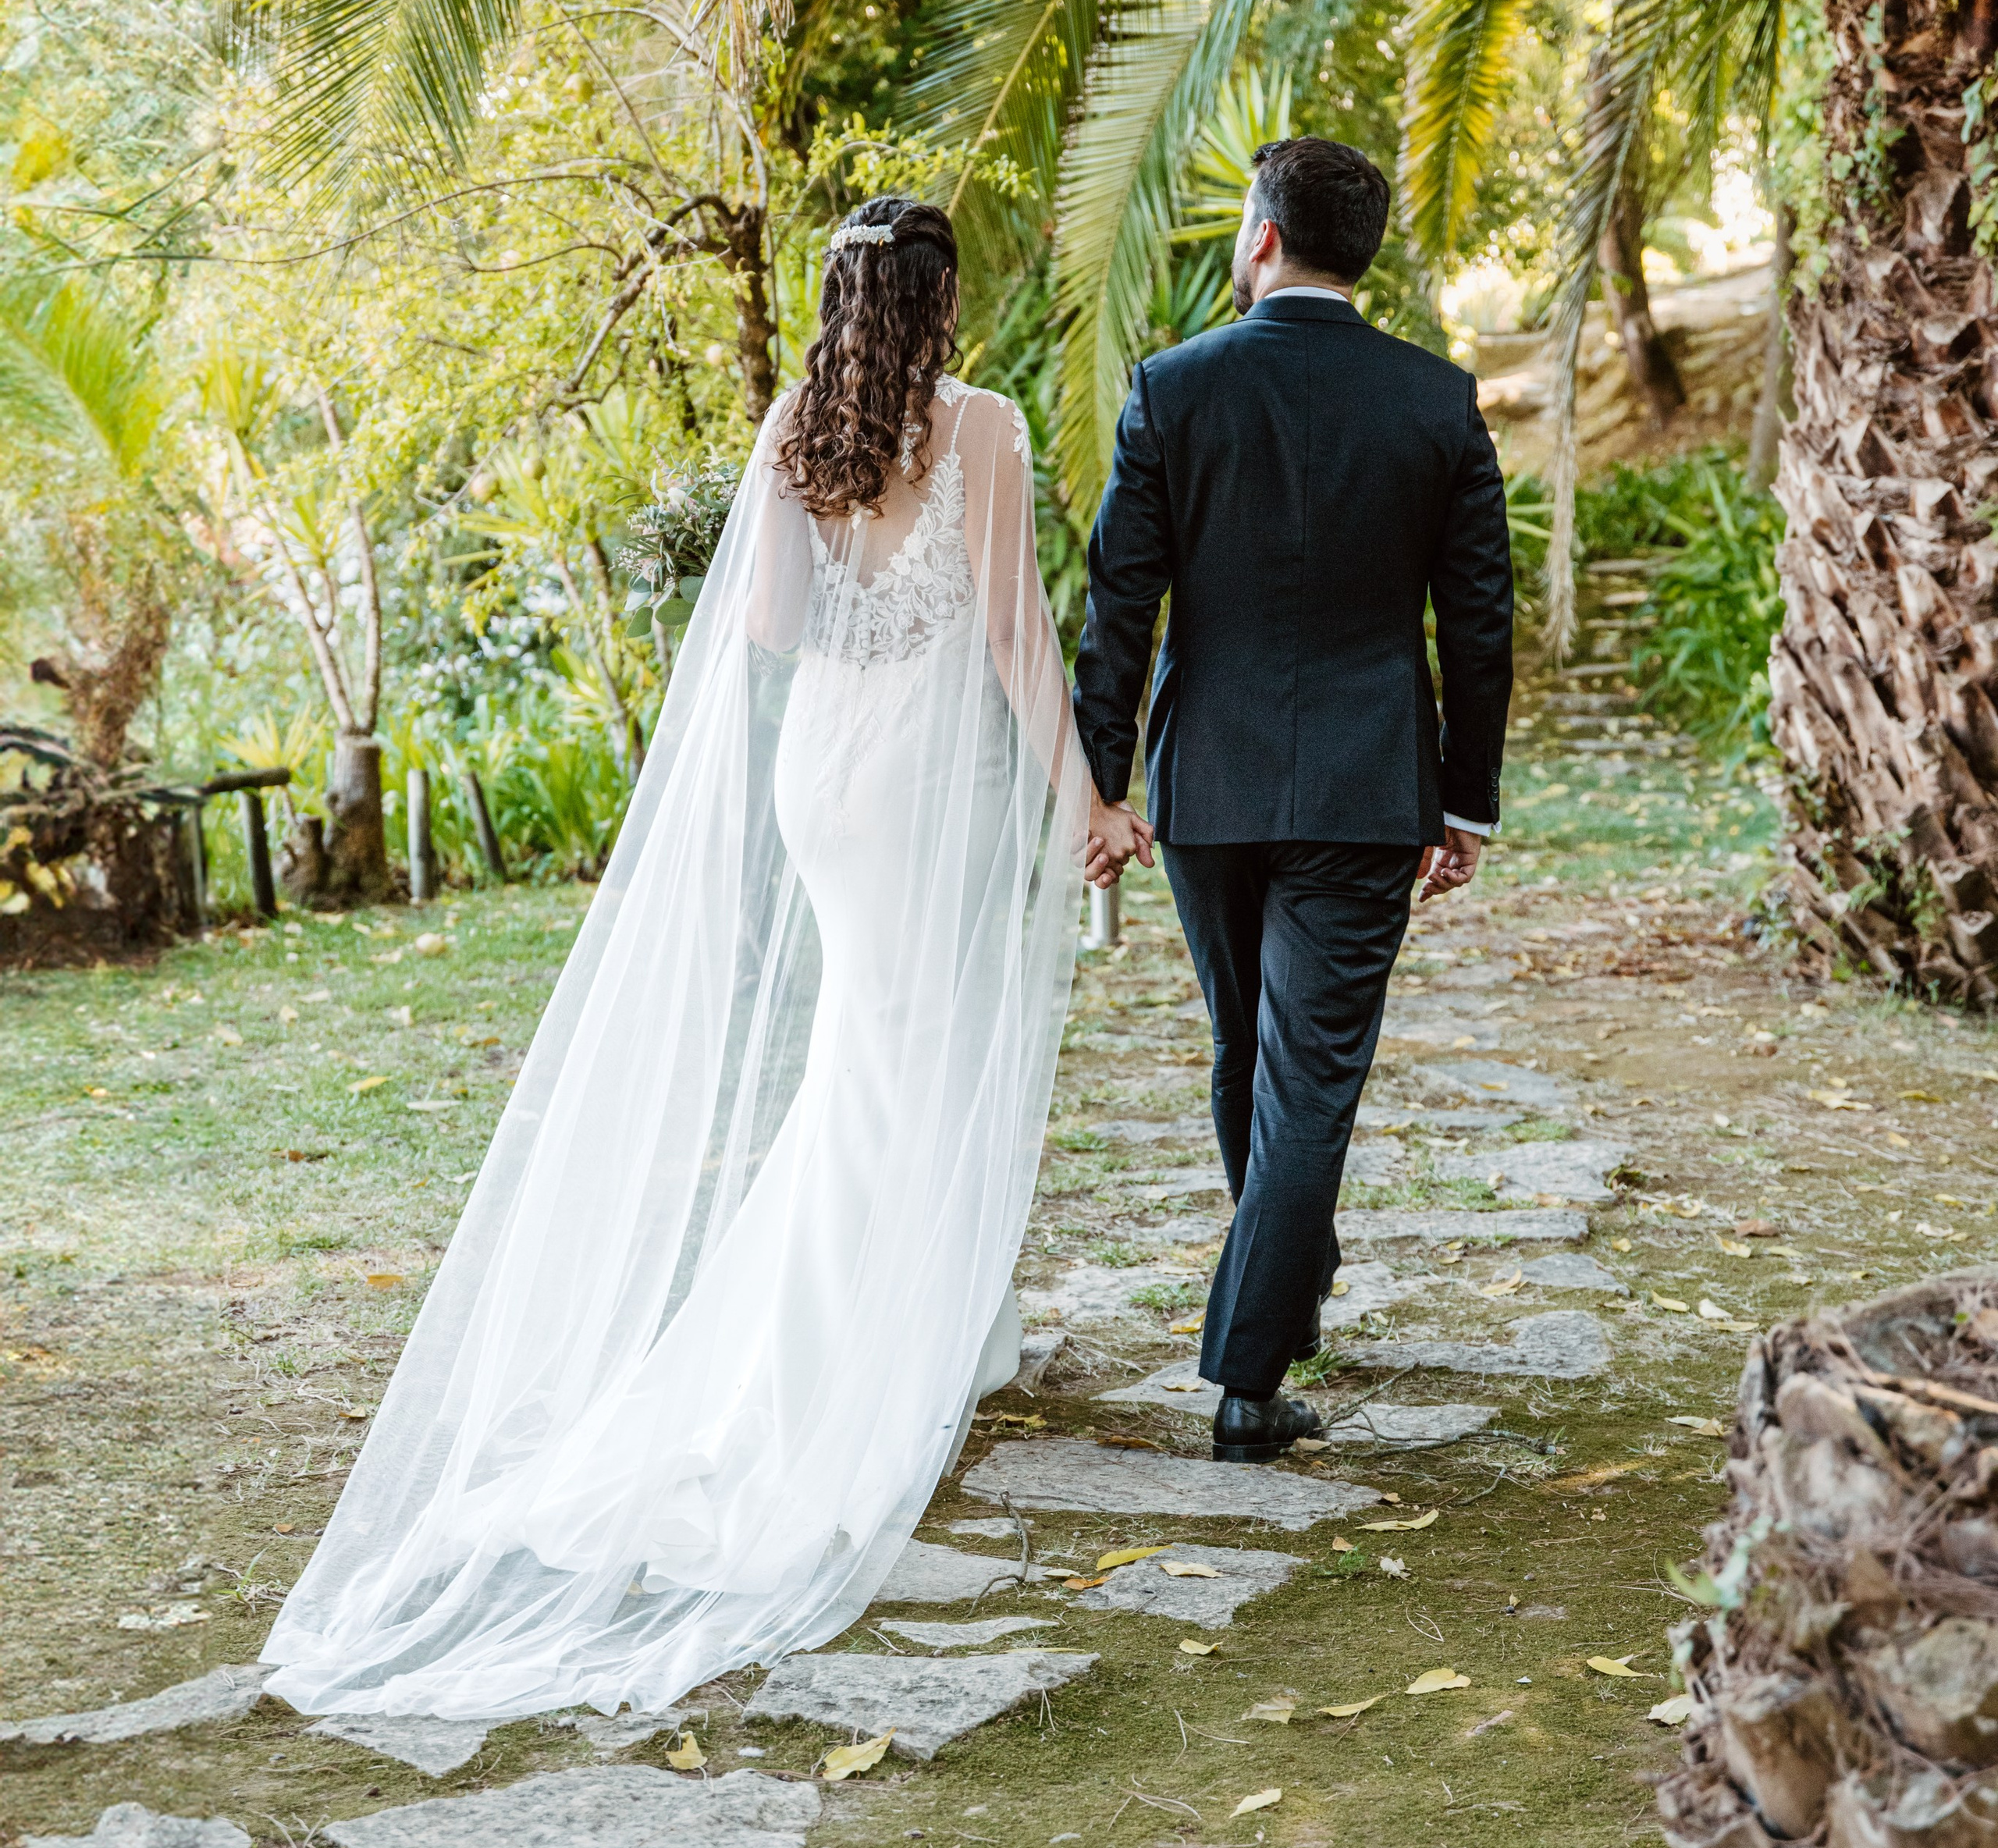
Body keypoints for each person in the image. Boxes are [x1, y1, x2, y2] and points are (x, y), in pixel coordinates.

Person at [263, 197, 1129, 1719]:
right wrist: (1083, 802)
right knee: (915, 1056)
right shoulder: (977, 425)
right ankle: (878, 1350)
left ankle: (932, 1328)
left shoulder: (798, 426)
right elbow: (1009, 632)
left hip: (824, 777)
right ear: (938, 300)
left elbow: (776, 626)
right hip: (922, 772)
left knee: (871, 1057)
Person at [1073, 136, 1513, 1462]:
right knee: (1300, 1072)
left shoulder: (1173, 388)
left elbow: (1118, 610)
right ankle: (1255, 1369)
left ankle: (1270, 1311)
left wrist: (1100, 781)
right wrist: (1467, 798)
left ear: (1261, 238)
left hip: (1208, 782)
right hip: (1367, 785)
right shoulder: (1436, 400)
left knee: (1250, 1055)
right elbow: (1479, 619)